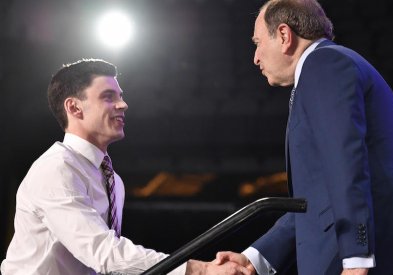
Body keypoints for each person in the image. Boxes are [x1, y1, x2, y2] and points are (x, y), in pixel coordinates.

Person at [215, 0, 393, 274]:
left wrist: (356, 257)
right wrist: (255, 258)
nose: (255, 57)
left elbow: (346, 160)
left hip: (383, 254)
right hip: (391, 250)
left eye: (258, 42)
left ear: (283, 35)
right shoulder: (325, 68)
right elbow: (315, 200)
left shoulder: (324, 63)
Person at [0, 59, 251, 275]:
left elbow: (109, 263)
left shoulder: (113, 180)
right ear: (74, 107)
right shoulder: (56, 169)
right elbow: (103, 252)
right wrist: (200, 269)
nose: (123, 104)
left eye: (120, 96)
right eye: (108, 97)